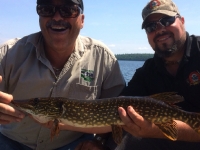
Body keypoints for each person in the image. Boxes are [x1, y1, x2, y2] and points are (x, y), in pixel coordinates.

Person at [0, 0, 125, 150]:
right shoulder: (8, 53)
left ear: (82, 20)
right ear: (39, 16)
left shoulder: (104, 59)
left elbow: (120, 116)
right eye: (47, 9)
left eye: (68, 10)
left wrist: (99, 140)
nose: (58, 17)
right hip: (10, 140)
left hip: (73, 144)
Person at [108, 0, 200, 149]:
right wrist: (99, 141)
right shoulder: (146, 72)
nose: (159, 29)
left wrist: (157, 130)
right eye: (151, 26)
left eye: (167, 20)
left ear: (182, 21)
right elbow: (114, 111)